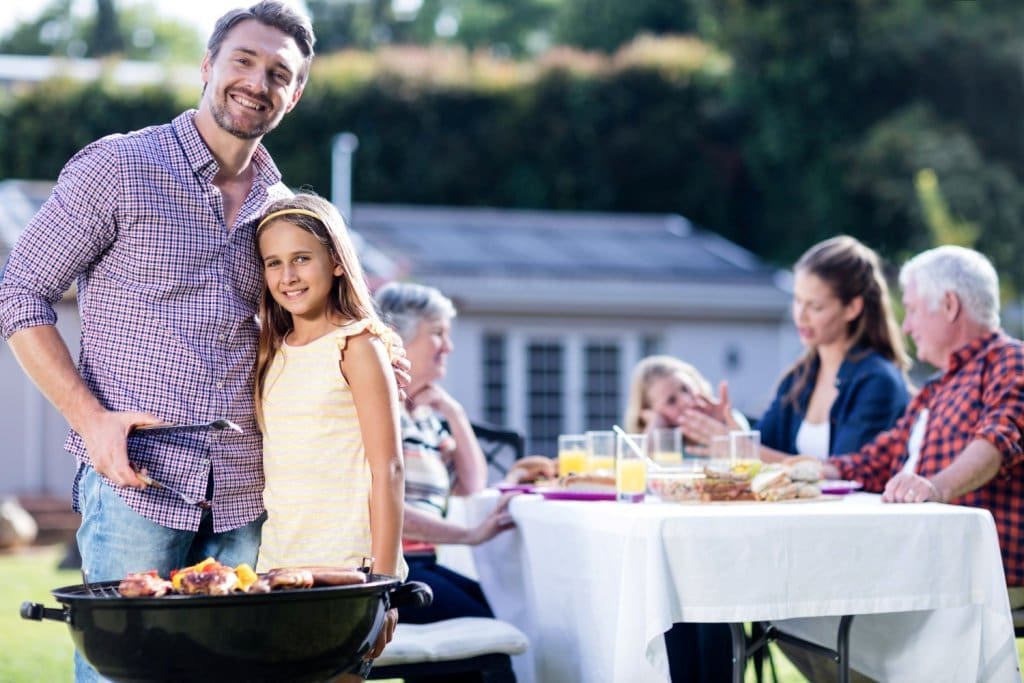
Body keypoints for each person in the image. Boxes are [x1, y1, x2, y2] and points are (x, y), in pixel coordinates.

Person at [0, 4, 402, 681]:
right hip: (139, 480)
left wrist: (366, 354)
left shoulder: (278, 208)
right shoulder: (120, 167)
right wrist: (89, 419)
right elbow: (19, 293)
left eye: (279, 72)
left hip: (249, 494)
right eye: (243, 60)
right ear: (207, 64)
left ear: (294, 94)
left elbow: (300, 326)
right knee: (124, 671)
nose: (257, 81)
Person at [773, 245, 1024, 682]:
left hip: (975, 568)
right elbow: (871, 462)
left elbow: (1000, 438)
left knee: (812, 615)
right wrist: (786, 469)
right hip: (922, 561)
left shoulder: (1009, 360)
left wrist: (936, 486)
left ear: (949, 305)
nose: (905, 325)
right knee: (794, 615)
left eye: (910, 309)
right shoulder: (933, 390)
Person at [252, 193, 405, 677]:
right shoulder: (271, 352)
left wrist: (382, 585)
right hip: (278, 562)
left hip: (347, 569)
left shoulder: (357, 346)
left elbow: (390, 468)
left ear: (336, 262)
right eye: (274, 263)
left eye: (301, 259)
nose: (288, 276)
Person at [374, 281, 552, 635]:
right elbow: (378, 503)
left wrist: (453, 413)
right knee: (488, 628)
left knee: (505, 613)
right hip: (390, 570)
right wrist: (469, 534)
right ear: (398, 336)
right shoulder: (381, 407)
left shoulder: (422, 416)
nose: (449, 347)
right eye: (438, 333)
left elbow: (472, 485)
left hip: (423, 562)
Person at [680, 235, 911, 461]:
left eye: (816, 306)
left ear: (852, 308)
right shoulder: (800, 377)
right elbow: (763, 448)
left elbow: (846, 474)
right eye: (798, 301)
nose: (801, 316)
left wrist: (740, 448)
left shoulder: (878, 381)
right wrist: (729, 427)